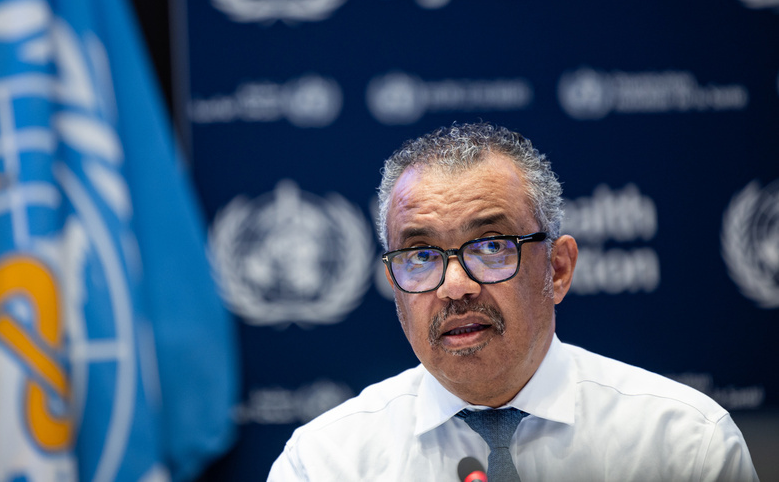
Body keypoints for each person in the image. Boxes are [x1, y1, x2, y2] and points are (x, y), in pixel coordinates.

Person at [267, 122, 759, 481]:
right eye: (421, 254)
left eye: (491, 246)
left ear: (558, 269)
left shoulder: (685, 445)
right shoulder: (324, 463)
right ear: (394, 285)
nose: (454, 285)